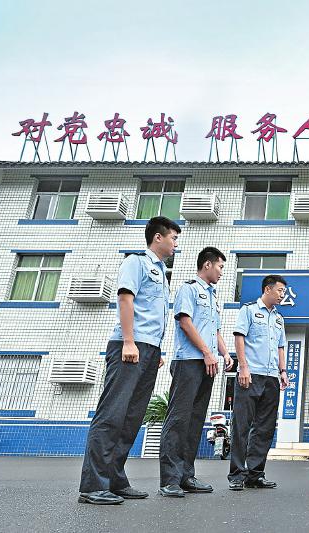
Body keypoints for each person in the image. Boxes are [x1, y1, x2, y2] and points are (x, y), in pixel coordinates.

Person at [79, 216, 181, 505]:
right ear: (158, 237)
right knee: (112, 414)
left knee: (131, 417)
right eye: (173, 238)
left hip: (148, 349)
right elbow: (126, 299)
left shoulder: (161, 271)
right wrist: (128, 341)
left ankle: (114, 479)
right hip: (129, 346)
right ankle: (93, 486)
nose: (175, 244)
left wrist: (155, 349)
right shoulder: (136, 262)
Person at [159, 247, 233, 497]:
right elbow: (185, 322)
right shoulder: (189, 289)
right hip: (189, 361)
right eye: (220, 267)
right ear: (208, 264)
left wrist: (225, 353)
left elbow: (215, 330)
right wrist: (207, 352)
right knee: (179, 419)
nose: (222, 272)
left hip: (207, 364)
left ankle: (186, 476)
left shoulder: (213, 296)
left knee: (194, 420)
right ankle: (169, 479)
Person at [228, 274, 290, 491]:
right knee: (242, 425)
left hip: (272, 377)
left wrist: (283, 371)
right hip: (250, 374)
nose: (282, 295)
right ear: (267, 289)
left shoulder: (279, 319)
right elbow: (239, 338)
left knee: (265, 427)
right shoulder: (249, 310)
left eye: (284, 292)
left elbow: (281, 346)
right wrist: (243, 367)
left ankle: (255, 474)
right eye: (280, 291)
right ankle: (237, 474)